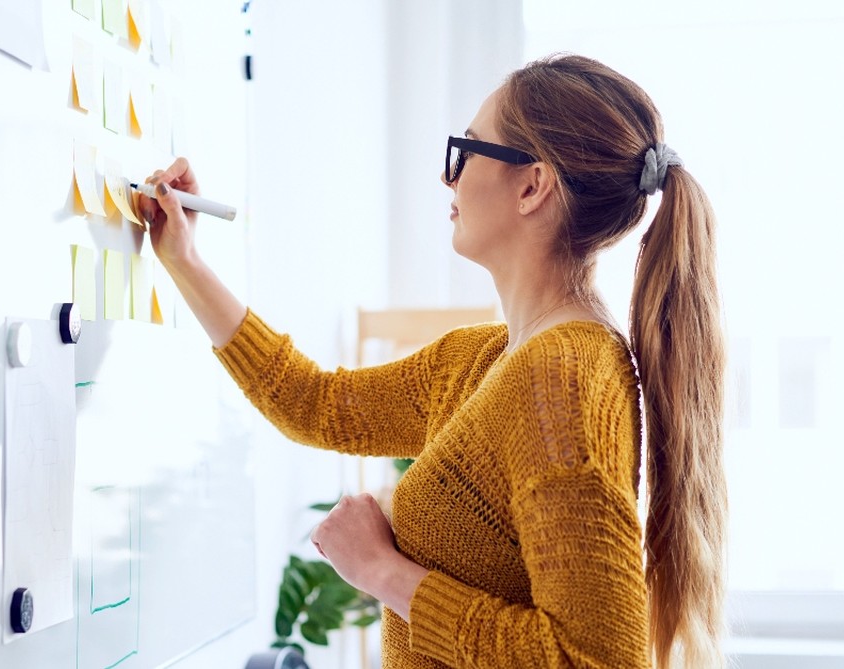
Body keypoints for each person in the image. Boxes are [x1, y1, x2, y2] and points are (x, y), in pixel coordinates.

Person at [136, 54, 725, 669]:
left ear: (532, 186)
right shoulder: (488, 360)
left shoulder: (562, 381)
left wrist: (383, 572)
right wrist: (185, 261)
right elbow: (315, 404)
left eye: (467, 150)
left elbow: (597, 661)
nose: (450, 178)